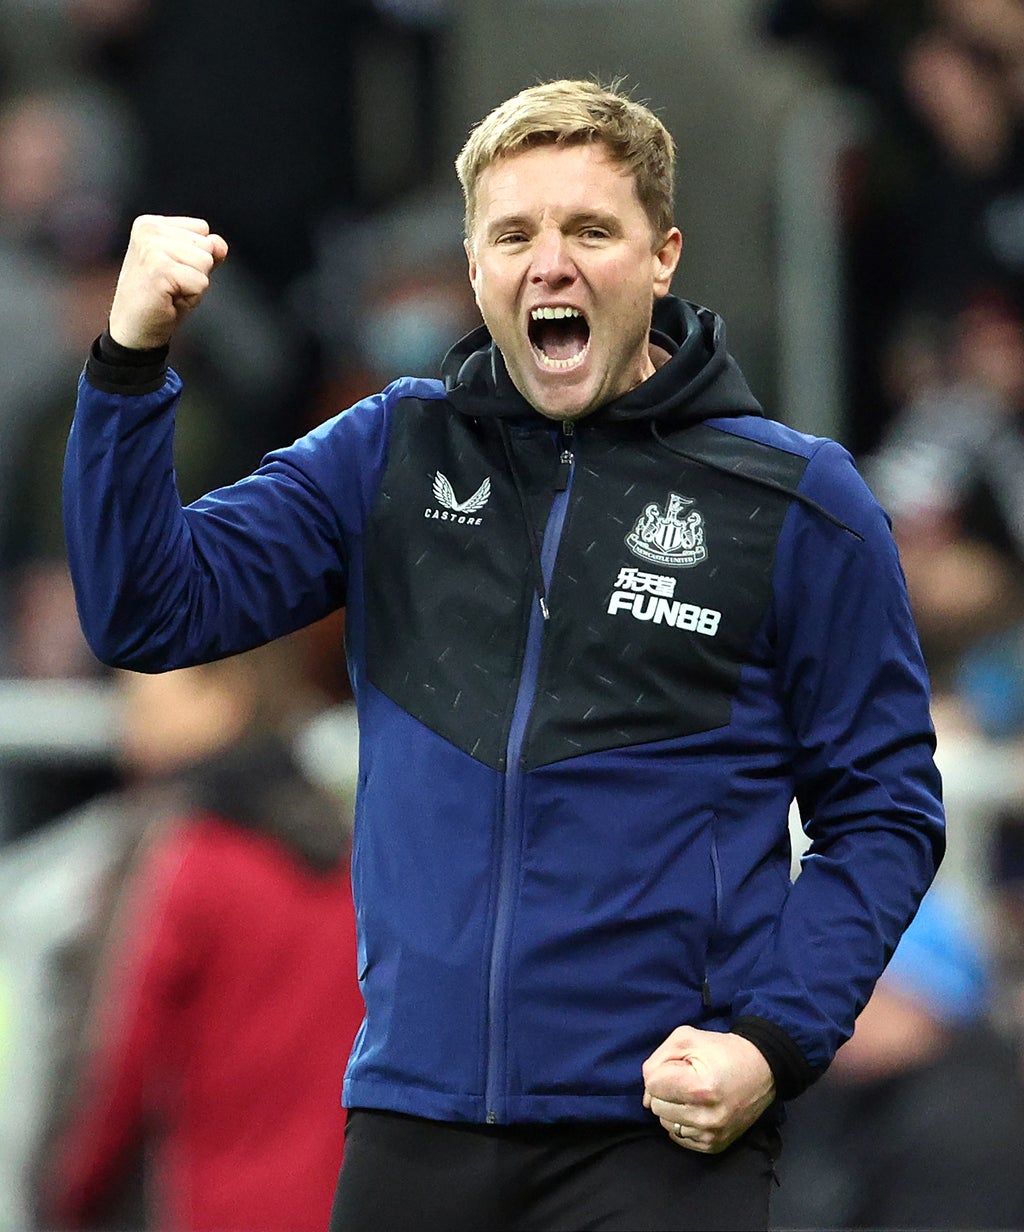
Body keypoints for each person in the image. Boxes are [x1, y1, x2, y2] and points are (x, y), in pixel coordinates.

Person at [61, 79, 945, 1232]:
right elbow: (145, 610)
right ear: (475, 267)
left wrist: (771, 1039)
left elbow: (883, 809)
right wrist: (130, 362)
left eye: (590, 229)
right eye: (514, 234)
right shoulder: (386, 452)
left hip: (657, 1133)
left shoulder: (797, 500)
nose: (550, 264)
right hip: (411, 1122)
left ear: (663, 256)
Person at [23, 644, 364, 1232]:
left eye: (143, 677)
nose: (127, 700)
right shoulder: (347, 855)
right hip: (335, 1208)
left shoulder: (180, 854)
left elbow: (105, 1068)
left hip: (200, 1211)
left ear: (225, 690)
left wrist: (59, 1197)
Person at [772, 885, 1024, 1230]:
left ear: (933, 1005)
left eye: (874, 992)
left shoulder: (965, 1126)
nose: (844, 1014)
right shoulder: (835, 1092)